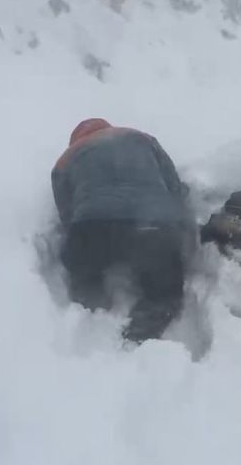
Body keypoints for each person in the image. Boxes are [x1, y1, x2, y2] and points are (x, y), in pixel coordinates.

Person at [52, 118, 189, 343]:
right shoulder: (141, 138)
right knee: (164, 289)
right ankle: (145, 326)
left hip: (92, 226)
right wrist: (176, 228)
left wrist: (82, 246)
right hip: (151, 224)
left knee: (84, 272)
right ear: (109, 127)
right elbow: (173, 186)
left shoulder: (65, 160)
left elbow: (66, 213)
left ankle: (90, 306)